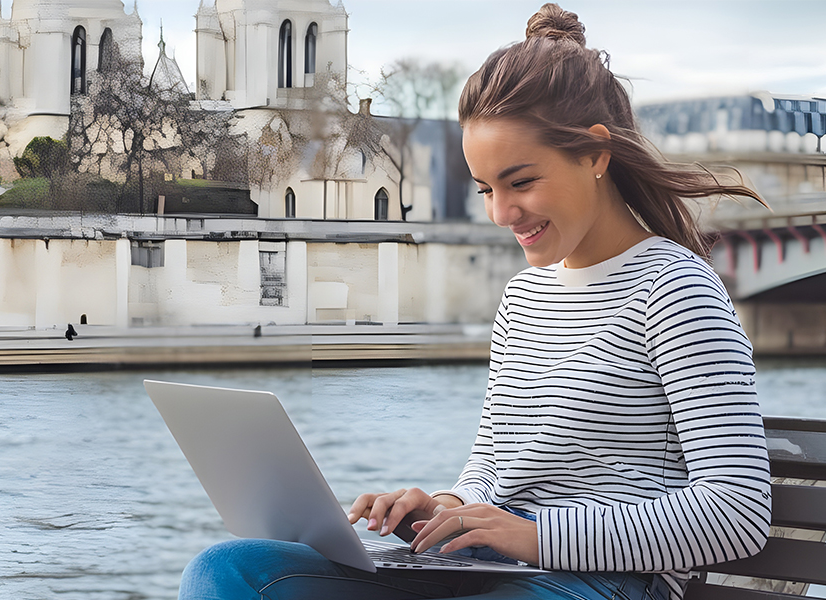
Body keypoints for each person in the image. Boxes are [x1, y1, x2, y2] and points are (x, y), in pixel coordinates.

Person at [177, 4, 771, 599]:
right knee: (225, 570)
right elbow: (494, 467)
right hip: (487, 566)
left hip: (601, 583)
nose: (500, 214)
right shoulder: (524, 296)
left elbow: (736, 512)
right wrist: (444, 506)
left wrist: (535, 536)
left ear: (595, 154)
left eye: (521, 182)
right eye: (487, 188)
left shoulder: (676, 290)